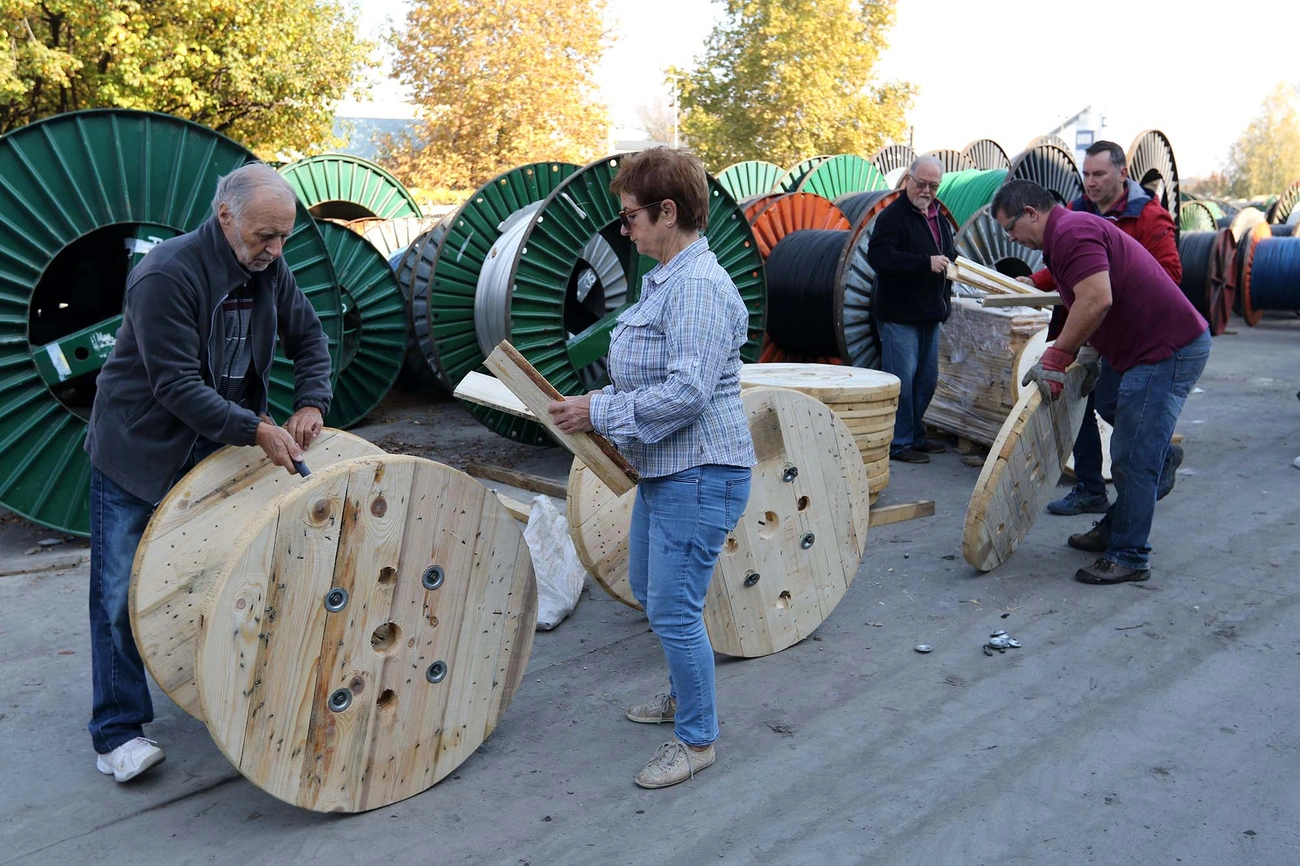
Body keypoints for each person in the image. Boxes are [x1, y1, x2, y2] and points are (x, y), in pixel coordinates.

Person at [84, 164, 333, 782]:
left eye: (283, 238)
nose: (275, 251)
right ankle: (116, 733)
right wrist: (256, 429)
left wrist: (310, 401)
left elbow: (310, 339)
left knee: (229, 573)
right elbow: (176, 386)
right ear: (226, 217)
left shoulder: (271, 269)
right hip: (139, 452)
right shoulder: (166, 275)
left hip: (217, 451)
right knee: (118, 594)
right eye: (263, 237)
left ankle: (229, 691)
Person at [548, 147, 754, 789]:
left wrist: (599, 410)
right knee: (651, 586)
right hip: (670, 472)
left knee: (672, 607)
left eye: (632, 216)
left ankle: (697, 739)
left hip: (701, 473)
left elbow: (689, 394)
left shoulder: (695, 286)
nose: (625, 228)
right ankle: (682, 693)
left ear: (669, 212)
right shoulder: (669, 278)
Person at [992, 180, 1209, 585]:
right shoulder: (1063, 238)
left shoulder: (1072, 232)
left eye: (1010, 227)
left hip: (1167, 348)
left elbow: (1096, 299)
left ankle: (1129, 554)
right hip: (1137, 348)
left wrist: (1058, 358)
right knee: (1113, 406)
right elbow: (1085, 297)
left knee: (1131, 454)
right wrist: (1089, 350)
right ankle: (1147, 482)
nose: (1011, 238)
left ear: (1030, 213)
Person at [1024, 140, 1184, 515]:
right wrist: (1038, 281)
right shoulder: (1078, 209)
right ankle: (1089, 488)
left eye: (1099, 174)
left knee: (1115, 404)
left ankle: (1158, 457)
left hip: (1126, 330)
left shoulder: (1149, 216)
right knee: (1076, 398)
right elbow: (1069, 263)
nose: (1091, 183)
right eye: (1087, 175)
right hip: (1087, 324)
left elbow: (1170, 275)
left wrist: (1112, 272)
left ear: (1122, 173)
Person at [866, 156, 957, 463]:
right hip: (900, 314)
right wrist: (923, 263)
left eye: (933, 185)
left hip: (930, 314)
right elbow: (879, 257)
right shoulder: (893, 217)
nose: (927, 190)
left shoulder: (938, 218)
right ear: (908, 179)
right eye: (921, 183)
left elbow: (950, 255)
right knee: (901, 382)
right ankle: (899, 443)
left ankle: (915, 435)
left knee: (926, 380)